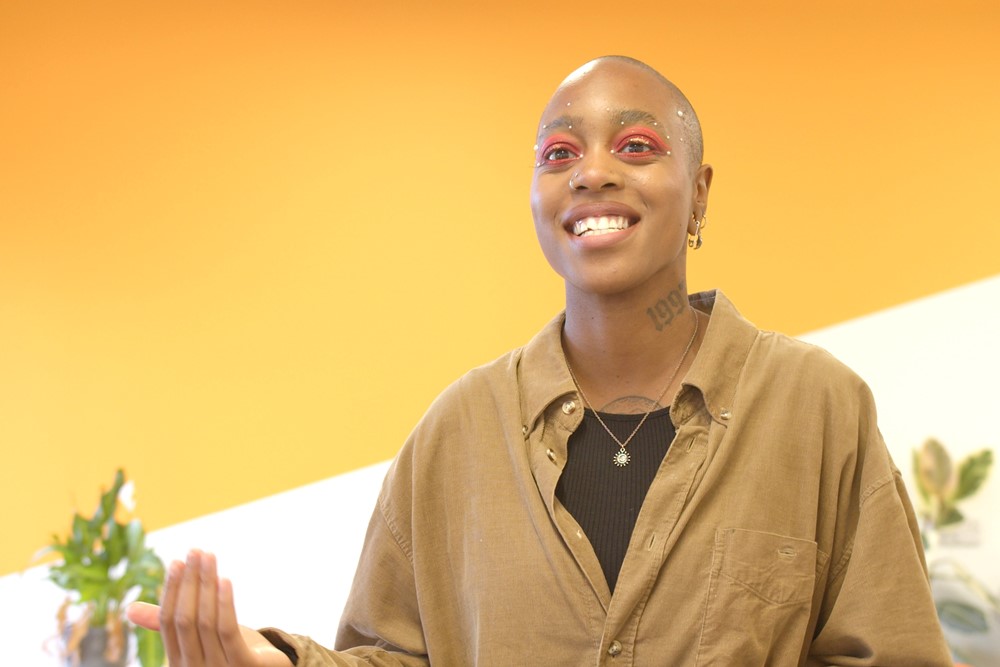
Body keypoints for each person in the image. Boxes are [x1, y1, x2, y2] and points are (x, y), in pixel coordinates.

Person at [128, 56, 952, 666]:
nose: (591, 172)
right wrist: (268, 659)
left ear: (699, 194)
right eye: (558, 154)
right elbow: (395, 658)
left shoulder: (817, 408)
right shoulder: (454, 434)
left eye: (634, 146)